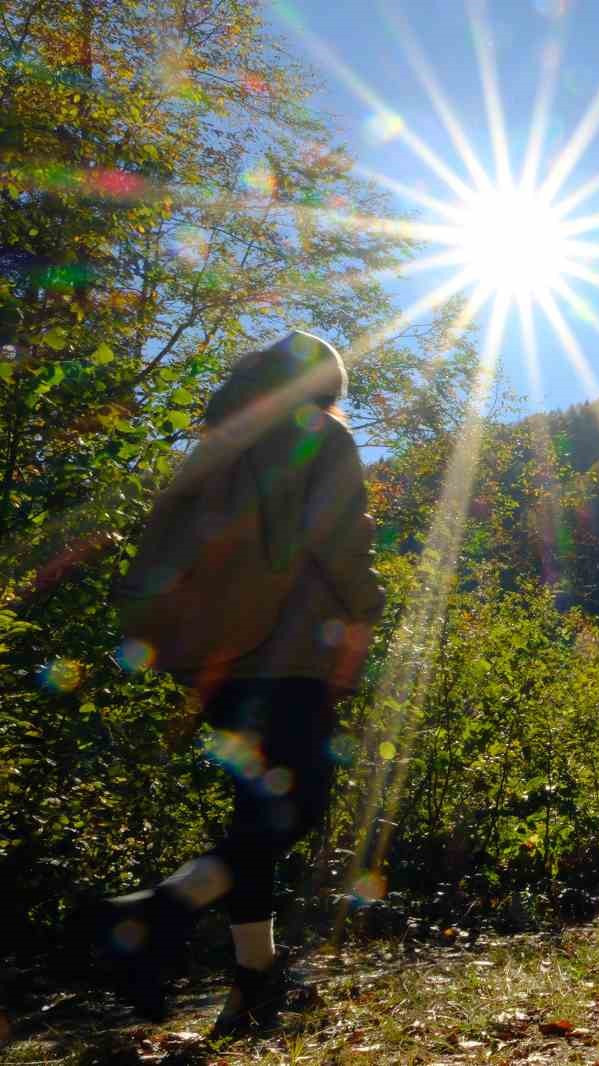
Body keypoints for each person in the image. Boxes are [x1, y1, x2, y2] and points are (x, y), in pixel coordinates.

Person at [93, 331, 384, 1036]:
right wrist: (369, 609)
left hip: (220, 662)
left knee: (254, 816)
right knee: (297, 806)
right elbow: (339, 539)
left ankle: (253, 980)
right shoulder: (317, 435)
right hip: (290, 649)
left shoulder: (219, 444)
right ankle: (157, 911)